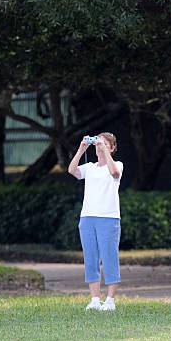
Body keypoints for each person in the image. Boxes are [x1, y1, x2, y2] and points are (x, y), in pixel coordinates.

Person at [68, 132, 123, 311]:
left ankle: (110, 300)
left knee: (109, 258)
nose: (99, 145)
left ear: (112, 148)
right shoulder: (90, 167)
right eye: (98, 142)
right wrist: (81, 148)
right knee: (91, 259)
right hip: (88, 218)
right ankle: (94, 299)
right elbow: (72, 171)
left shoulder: (118, 165)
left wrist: (105, 150)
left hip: (109, 218)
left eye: (105, 143)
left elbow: (114, 173)